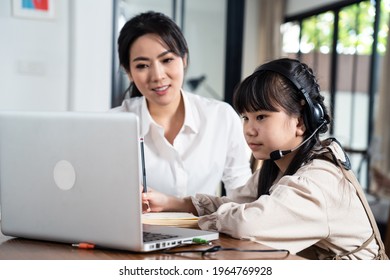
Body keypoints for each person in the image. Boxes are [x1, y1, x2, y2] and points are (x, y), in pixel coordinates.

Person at [142, 58, 388, 260]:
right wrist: (174, 203)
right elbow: (236, 203)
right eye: (245, 118)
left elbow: (247, 224)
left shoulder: (317, 181)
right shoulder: (276, 167)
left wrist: (198, 223)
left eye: (261, 117)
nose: (249, 129)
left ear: (301, 121)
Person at [111, 11, 251, 197]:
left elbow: (242, 194)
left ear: (184, 59)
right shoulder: (114, 125)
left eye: (167, 60)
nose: (158, 76)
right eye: (142, 65)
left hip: (204, 225)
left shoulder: (221, 117)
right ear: (129, 72)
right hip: (138, 227)